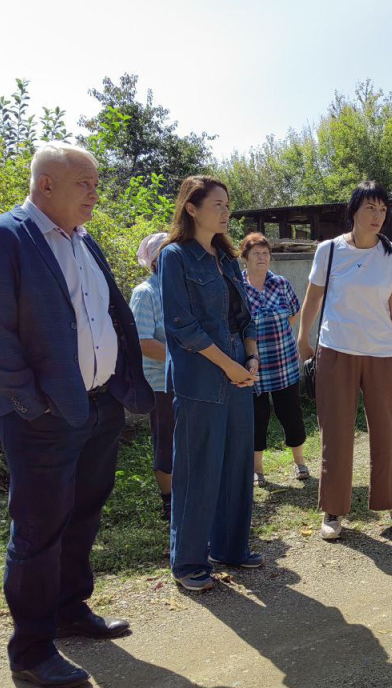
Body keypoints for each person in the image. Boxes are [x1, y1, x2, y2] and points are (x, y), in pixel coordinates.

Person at [0, 143, 154, 688]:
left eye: (96, 183)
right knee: (39, 528)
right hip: (41, 416)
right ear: (46, 185)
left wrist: (116, 386)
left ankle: (70, 610)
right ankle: (31, 648)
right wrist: (31, 403)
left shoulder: (83, 240)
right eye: (84, 183)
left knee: (84, 512)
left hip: (99, 404)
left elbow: (107, 315)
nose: (95, 193)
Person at [159, 176, 262, 593]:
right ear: (191, 208)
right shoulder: (174, 257)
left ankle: (230, 548)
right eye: (217, 204)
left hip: (239, 371)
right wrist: (229, 366)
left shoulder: (228, 258)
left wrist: (250, 358)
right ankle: (188, 562)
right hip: (201, 378)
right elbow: (182, 326)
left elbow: (245, 317)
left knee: (237, 464)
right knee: (198, 469)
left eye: (227, 204)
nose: (226, 212)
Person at [297, 181, 392, 541]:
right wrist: (303, 338)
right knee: (336, 432)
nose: (377, 216)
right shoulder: (330, 251)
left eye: (382, 209)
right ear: (354, 211)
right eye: (370, 208)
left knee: (387, 432)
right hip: (336, 350)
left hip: (382, 353)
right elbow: (313, 298)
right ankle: (333, 509)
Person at [240, 232, 308, 485]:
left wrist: (277, 335)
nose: (262, 258)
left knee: (291, 414)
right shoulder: (238, 287)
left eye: (266, 253)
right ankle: (257, 470)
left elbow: (294, 313)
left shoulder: (280, 283)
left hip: (283, 362)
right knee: (256, 418)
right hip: (253, 365)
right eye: (256, 253)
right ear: (245, 257)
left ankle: (300, 462)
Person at [130, 232, 174, 520]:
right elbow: (143, 342)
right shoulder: (145, 293)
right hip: (161, 382)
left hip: (186, 380)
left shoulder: (179, 289)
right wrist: (183, 359)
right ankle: (168, 501)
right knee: (166, 440)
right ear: (156, 261)